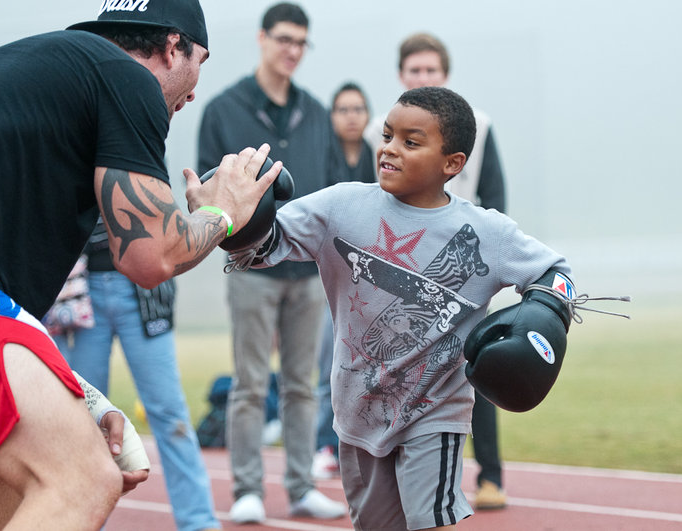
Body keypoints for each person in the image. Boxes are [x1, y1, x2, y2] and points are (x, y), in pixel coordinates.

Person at [0, 1, 279, 529]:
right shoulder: (125, 78)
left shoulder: (47, 74)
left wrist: (80, 397)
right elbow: (149, 256)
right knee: (82, 479)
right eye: (200, 60)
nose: (195, 88)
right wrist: (222, 211)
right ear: (171, 45)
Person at [230, 86, 575, 530]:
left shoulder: (485, 232)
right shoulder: (341, 206)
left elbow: (556, 272)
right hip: (357, 412)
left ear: (452, 164)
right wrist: (232, 216)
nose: (390, 149)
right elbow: (264, 244)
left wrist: (543, 318)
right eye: (389, 135)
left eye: (411, 143)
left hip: (435, 412)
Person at [197, 2, 346, 524]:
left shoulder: (317, 112)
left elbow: (330, 192)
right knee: (250, 383)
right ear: (262, 38)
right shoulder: (223, 109)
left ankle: (303, 487)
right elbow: (209, 194)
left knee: (304, 384)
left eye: (302, 42)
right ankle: (247, 491)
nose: (293, 50)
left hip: (307, 272)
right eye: (284, 38)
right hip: (250, 267)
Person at [365, 31, 509, 510]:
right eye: (415, 71)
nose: (423, 77)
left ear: (445, 75)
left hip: (463, 268)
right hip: (403, 268)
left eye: (431, 70)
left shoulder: (479, 126)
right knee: (404, 370)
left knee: (477, 365)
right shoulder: (376, 130)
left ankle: (490, 474)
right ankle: (400, 468)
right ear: (402, 76)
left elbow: (496, 194)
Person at [52, 218, 221, 531]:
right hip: (79, 290)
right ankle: (85, 523)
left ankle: (199, 523)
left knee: (171, 413)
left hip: (143, 289)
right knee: (82, 422)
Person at [312, 82, 378, 480]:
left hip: (374, 283)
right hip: (330, 280)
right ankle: (325, 444)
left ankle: (367, 443)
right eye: (342, 109)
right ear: (332, 116)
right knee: (328, 367)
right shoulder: (321, 160)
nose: (351, 115)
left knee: (372, 367)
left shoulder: (382, 156)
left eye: (358, 108)